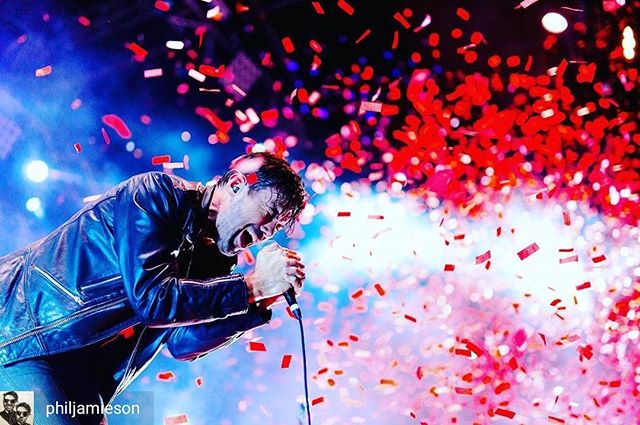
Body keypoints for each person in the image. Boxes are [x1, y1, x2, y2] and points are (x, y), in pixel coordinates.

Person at [0, 152, 308, 425]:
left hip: (84, 380)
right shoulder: (155, 194)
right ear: (237, 185)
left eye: (278, 227)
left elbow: (181, 343)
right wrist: (251, 286)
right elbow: (153, 299)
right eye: (270, 212)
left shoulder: (214, 261)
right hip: (23, 345)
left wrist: (258, 304)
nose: (268, 232)